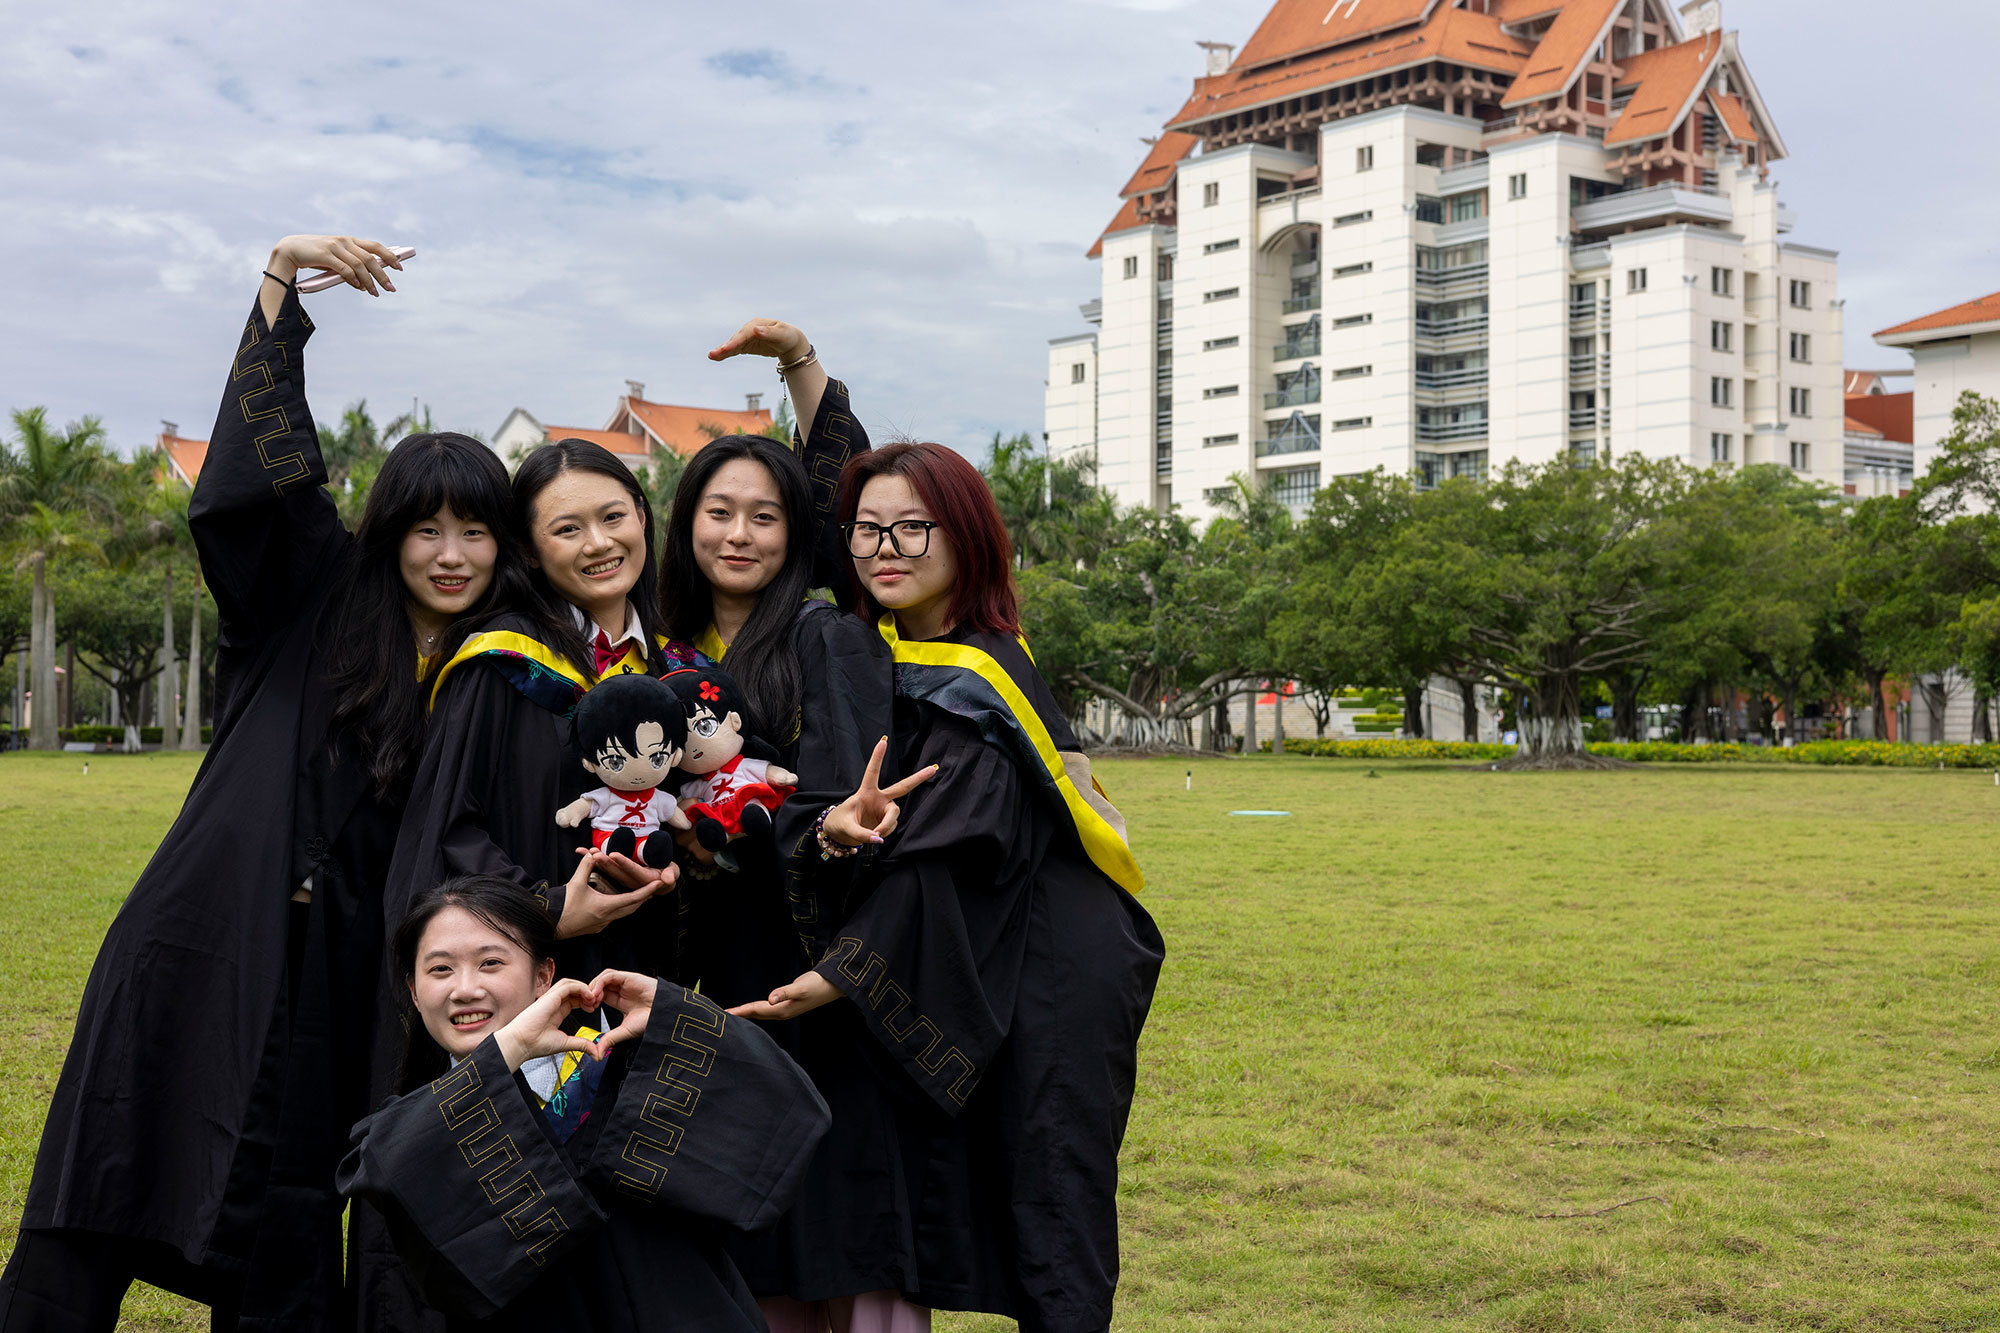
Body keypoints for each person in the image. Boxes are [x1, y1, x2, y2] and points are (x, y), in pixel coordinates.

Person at [0, 234, 535, 1332]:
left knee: (290, 1213)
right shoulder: (312, 597)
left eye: (475, 531)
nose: (449, 553)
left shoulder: (500, 670)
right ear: (389, 535)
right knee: (105, 1176)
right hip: (207, 930)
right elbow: (254, 491)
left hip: (342, 971)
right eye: (426, 528)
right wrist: (281, 285)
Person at [732, 442, 1166, 1333]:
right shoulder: (904, 648)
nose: (885, 548)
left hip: (1051, 956)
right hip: (988, 933)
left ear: (966, 536)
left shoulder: (981, 671)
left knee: (1050, 1187)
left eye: (913, 527)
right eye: (866, 530)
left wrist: (843, 971)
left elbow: (950, 844)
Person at [665, 322, 944, 1333]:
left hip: (821, 973)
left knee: (843, 1220)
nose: (739, 534)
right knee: (753, 1229)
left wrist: (817, 829)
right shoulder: (664, 655)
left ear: (797, 535)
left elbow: (842, 796)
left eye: (765, 516)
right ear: (686, 525)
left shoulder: (827, 636)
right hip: (721, 973)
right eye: (718, 512)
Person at [338, 874, 832, 1332]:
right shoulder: (415, 1125)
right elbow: (384, 1169)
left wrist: (675, 1013)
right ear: (414, 992)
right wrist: (509, 1048)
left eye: (491, 963)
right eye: (440, 969)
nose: (466, 989)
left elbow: (785, 1114)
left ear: (543, 976)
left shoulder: (623, 1071)